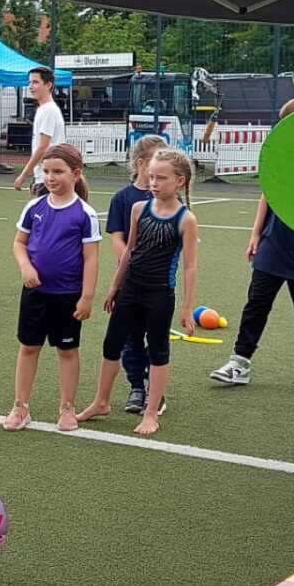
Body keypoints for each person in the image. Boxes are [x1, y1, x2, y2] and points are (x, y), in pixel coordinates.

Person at [77, 148, 200, 436]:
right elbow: (130, 251)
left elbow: (190, 266)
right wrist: (114, 286)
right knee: (112, 344)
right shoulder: (138, 209)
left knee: (158, 350)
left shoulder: (186, 219)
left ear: (179, 181)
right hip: (130, 290)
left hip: (159, 294)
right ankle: (101, 402)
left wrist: (187, 307)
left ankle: (151, 411)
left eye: (161, 178)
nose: (154, 183)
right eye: (151, 176)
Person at [211, 98, 294, 394]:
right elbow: (267, 194)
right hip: (274, 243)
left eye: (289, 123)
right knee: (256, 303)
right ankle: (239, 363)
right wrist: (256, 234)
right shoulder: (281, 155)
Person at [6, 144, 101, 432]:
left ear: (75, 173)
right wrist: (26, 267)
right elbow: (19, 243)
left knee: (67, 351)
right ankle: (20, 407)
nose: (50, 177)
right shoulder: (34, 207)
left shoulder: (85, 213)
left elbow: (91, 258)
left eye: (57, 171)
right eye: (46, 171)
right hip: (35, 293)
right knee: (28, 347)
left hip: (68, 295)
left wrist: (86, 297)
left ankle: (67, 408)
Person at [103, 134, 168, 414]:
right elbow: (118, 239)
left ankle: (156, 392)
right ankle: (137, 386)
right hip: (129, 281)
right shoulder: (123, 198)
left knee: (156, 339)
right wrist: (129, 264)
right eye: (156, 159)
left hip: (158, 283)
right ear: (141, 163)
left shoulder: (167, 197)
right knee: (130, 338)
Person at [12, 66, 66, 194]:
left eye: (35, 82)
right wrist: (36, 178)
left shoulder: (48, 110)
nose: (30, 86)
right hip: (44, 177)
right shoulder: (44, 109)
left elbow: (43, 147)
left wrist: (24, 175)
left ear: (48, 85)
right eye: (30, 82)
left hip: (48, 178)